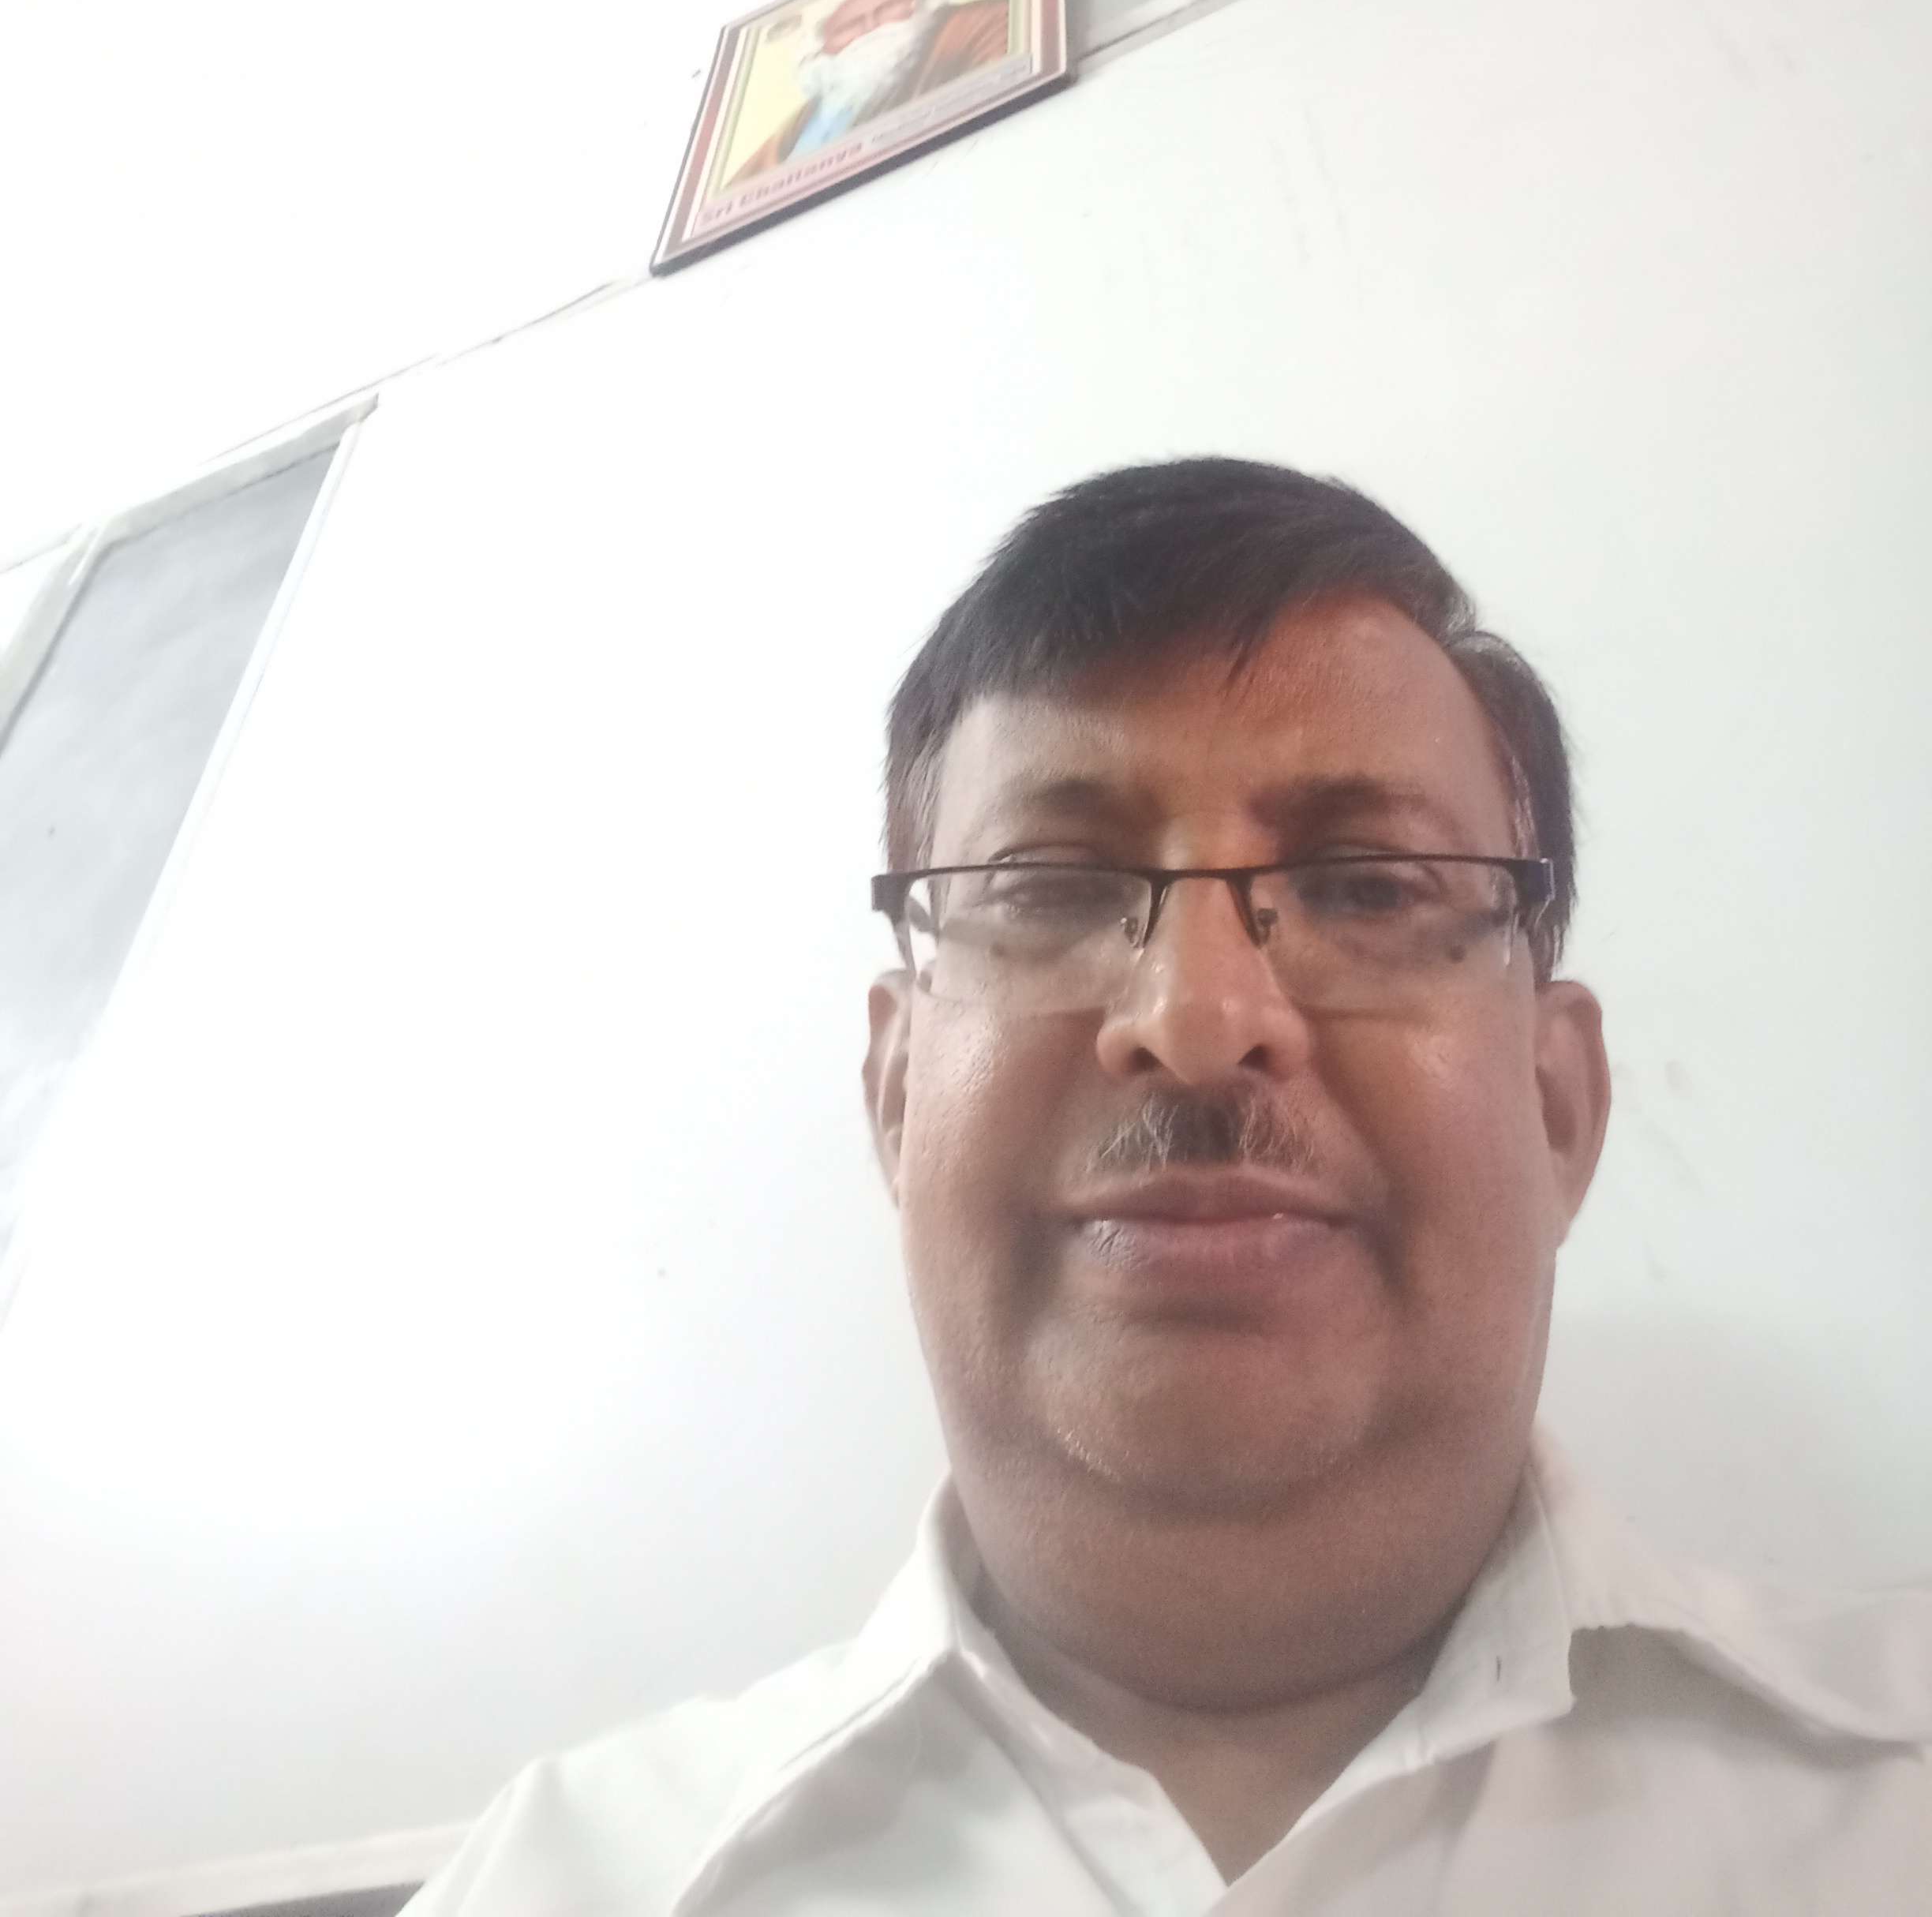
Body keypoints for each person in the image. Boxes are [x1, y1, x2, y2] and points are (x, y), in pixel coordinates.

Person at [407, 459, 1929, 1913]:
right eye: (1049, 885)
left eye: (1363, 882)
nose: (1197, 1019)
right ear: (896, 1094)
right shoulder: (564, 1881)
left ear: (1555, 1104)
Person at [726, 0, 1010, 184]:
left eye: (887, 8)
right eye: (848, 26)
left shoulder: (975, 24)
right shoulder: (807, 117)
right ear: (824, 48)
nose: (871, 27)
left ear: (927, 3)